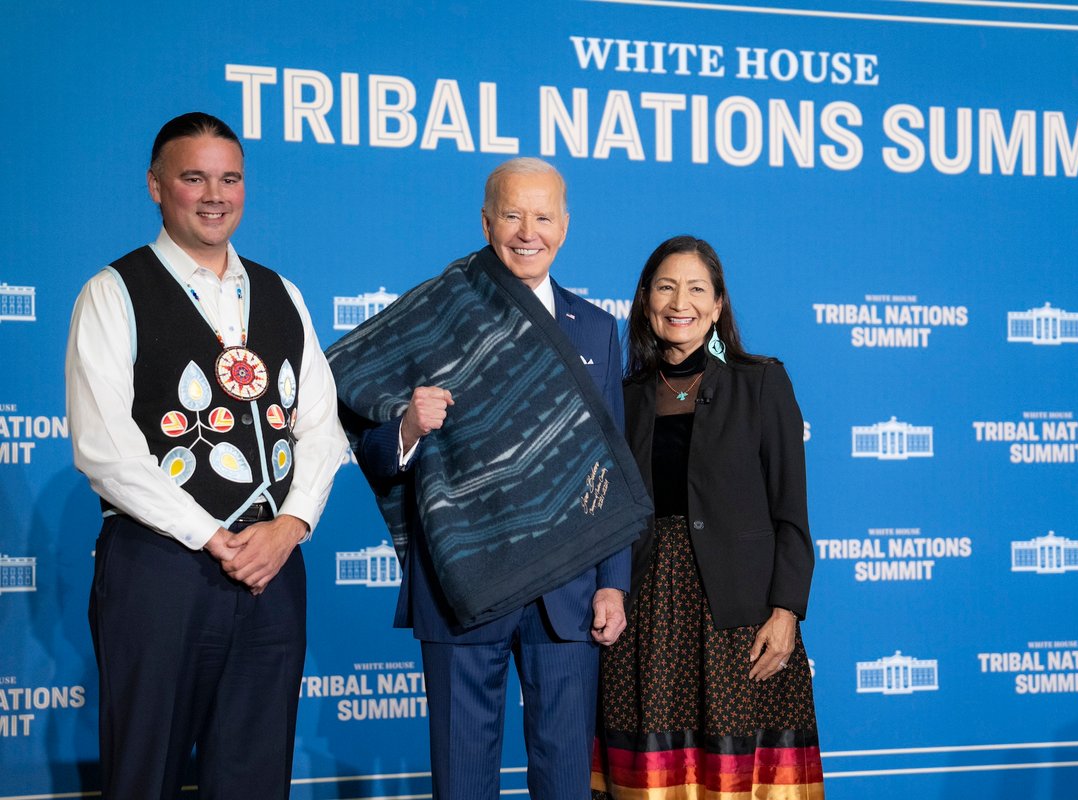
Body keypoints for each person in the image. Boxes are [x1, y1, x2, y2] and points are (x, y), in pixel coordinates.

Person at [329, 157, 651, 799]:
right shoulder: (435, 313)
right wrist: (407, 426)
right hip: (463, 580)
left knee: (565, 780)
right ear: (485, 222)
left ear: (565, 227)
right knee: (462, 780)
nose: (528, 232)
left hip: (567, 587)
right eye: (512, 215)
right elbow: (364, 435)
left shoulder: (595, 328)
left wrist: (613, 584)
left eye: (543, 217)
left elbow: (611, 464)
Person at [65, 112, 348, 799]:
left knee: (255, 777)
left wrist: (291, 526)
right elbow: (106, 449)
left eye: (230, 178)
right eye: (194, 178)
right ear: (156, 186)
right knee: (146, 775)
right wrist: (216, 538)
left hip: (273, 572)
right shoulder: (113, 292)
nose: (215, 195)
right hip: (160, 572)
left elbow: (321, 427)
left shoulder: (282, 293)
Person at [591, 235, 825, 798]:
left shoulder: (761, 381)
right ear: (645, 300)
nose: (681, 303)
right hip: (646, 616)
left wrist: (786, 612)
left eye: (697, 289)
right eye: (666, 287)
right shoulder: (622, 397)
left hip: (740, 619)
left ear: (718, 305)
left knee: (738, 780)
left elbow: (791, 512)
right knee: (648, 780)